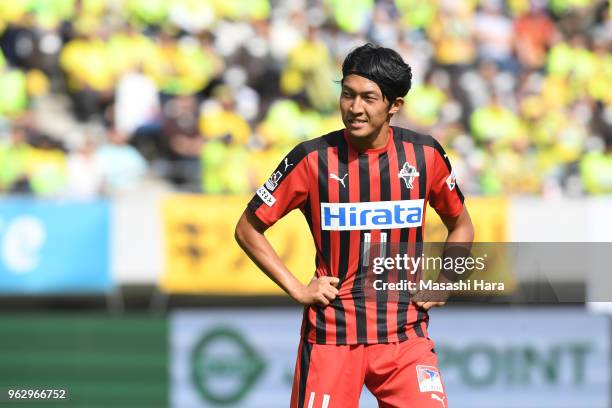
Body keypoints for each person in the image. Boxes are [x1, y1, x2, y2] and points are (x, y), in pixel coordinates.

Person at [235, 43, 474, 408]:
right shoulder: (311, 159)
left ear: (395, 105)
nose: (355, 107)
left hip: (404, 339)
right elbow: (248, 228)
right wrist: (297, 289)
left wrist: (447, 280)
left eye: (368, 98)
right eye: (347, 94)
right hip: (332, 339)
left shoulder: (425, 155)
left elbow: (461, 225)